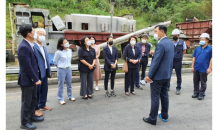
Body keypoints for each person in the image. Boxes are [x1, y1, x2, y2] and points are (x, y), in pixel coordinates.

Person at [143, 25, 174, 125]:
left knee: (155, 97)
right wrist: (155, 52)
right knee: (164, 95)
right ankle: (164, 115)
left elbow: (156, 62)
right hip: (167, 75)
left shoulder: (161, 44)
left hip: (158, 76)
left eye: (156, 31)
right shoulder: (170, 42)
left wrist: (149, 75)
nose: (154, 33)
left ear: (162, 32)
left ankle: (152, 119)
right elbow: (166, 58)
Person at [17, 24, 44, 130]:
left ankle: (31, 116)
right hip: (27, 80)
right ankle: (24, 122)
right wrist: (36, 78)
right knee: (26, 101)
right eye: (34, 31)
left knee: (33, 99)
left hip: (32, 79)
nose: (35, 33)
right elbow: (27, 66)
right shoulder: (24, 47)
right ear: (29, 34)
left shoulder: (30, 44)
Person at [33, 28, 52, 116]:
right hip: (37, 71)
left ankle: (42, 104)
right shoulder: (33, 46)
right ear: (36, 35)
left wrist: (49, 70)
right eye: (41, 34)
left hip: (44, 70)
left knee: (44, 89)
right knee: (37, 91)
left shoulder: (43, 47)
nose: (42, 36)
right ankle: (36, 108)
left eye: (44, 35)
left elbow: (47, 60)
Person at [53, 37, 76, 105]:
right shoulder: (58, 52)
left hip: (68, 68)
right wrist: (60, 67)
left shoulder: (69, 51)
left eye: (67, 41)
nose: (67, 43)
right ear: (61, 44)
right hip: (61, 69)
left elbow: (70, 59)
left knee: (69, 84)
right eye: (65, 42)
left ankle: (70, 96)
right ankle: (60, 98)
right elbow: (55, 61)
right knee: (61, 85)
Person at [191, 33, 213, 100]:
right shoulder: (197, 49)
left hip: (204, 68)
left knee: (203, 82)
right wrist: (192, 67)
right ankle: (196, 92)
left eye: (203, 39)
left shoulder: (211, 49)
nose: (201, 40)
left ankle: (201, 93)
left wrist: (209, 68)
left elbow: (212, 59)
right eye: (200, 39)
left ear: (207, 40)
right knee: (195, 81)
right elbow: (194, 58)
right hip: (196, 68)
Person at [168, 29, 187, 94]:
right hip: (170, 60)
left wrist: (180, 56)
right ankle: (167, 86)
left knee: (178, 75)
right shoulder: (170, 42)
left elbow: (184, 50)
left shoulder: (182, 42)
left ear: (178, 36)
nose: (174, 37)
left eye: (175, 35)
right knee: (168, 74)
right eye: (173, 36)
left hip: (178, 61)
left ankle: (178, 88)